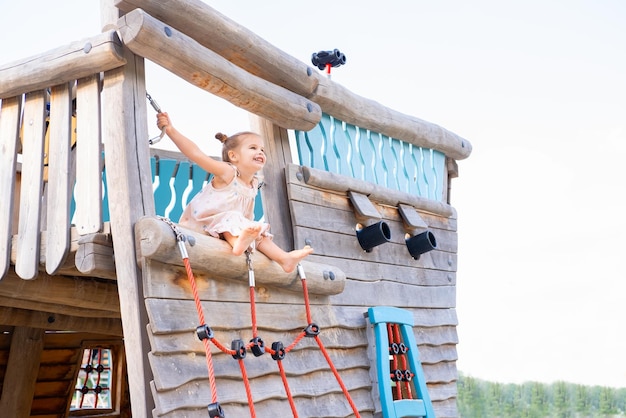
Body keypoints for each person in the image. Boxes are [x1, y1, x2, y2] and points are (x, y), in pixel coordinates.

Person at [156, 112, 313, 273]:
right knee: (234, 218)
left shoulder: (253, 183)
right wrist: (170, 130)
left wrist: (254, 233)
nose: (260, 152)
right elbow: (196, 154)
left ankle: (284, 259)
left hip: (228, 228)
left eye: (262, 150)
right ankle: (238, 243)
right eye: (253, 148)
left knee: (257, 231)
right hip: (202, 224)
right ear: (233, 156)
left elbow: (246, 218)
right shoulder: (228, 172)